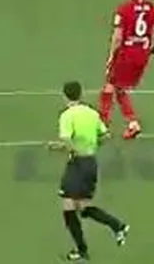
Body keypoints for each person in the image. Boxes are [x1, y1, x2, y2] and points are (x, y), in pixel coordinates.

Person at [49, 80, 130, 261]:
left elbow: (67, 139)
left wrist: (71, 150)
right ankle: (117, 226)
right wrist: (89, 147)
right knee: (83, 207)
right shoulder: (91, 113)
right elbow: (106, 135)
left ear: (65, 96)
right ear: (80, 94)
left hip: (78, 164)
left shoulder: (67, 115)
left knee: (69, 207)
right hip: (90, 162)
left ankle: (82, 250)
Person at [99, 0, 154, 139]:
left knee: (109, 85)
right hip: (142, 55)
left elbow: (118, 36)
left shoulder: (124, 9)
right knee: (120, 88)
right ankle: (132, 123)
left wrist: (111, 55)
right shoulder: (153, 8)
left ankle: (102, 125)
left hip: (126, 54)